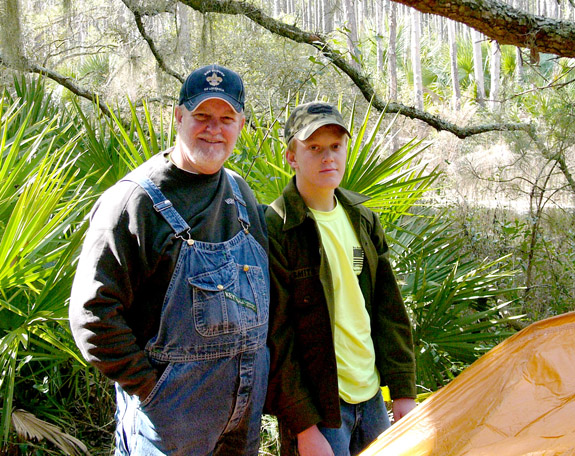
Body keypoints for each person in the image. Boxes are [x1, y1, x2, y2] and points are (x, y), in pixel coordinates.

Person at [69, 64, 270, 455]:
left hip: (244, 416)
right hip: (170, 422)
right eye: (202, 117)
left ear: (241, 125)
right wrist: (152, 388)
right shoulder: (135, 201)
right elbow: (92, 312)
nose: (214, 129)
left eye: (226, 118)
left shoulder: (242, 194)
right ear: (179, 117)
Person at [264, 102, 417, 456]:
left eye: (335, 146)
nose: (327, 157)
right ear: (291, 156)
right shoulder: (277, 227)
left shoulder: (363, 219)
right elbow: (277, 336)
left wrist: (404, 392)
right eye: (313, 148)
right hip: (322, 411)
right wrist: (303, 426)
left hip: (372, 397)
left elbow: (388, 310)